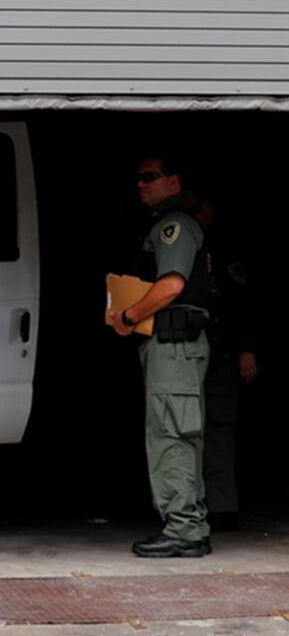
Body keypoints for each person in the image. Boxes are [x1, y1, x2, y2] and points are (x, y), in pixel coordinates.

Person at [110, 156, 214, 558]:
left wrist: (129, 315)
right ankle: (189, 524)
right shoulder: (170, 223)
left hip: (175, 346)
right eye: (138, 178)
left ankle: (185, 529)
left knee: (173, 436)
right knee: (177, 433)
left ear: (173, 180)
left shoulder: (175, 226)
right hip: (172, 348)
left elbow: (171, 286)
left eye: (149, 177)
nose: (141, 184)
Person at [191, 190, 259, 532]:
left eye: (200, 210)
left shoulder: (223, 250)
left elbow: (240, 303)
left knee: (218, 429)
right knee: (188, 430)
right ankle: (192, 509)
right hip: (190, 350)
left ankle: (222, 508)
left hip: (222, 353)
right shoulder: (184, 246)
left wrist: (247, 349)